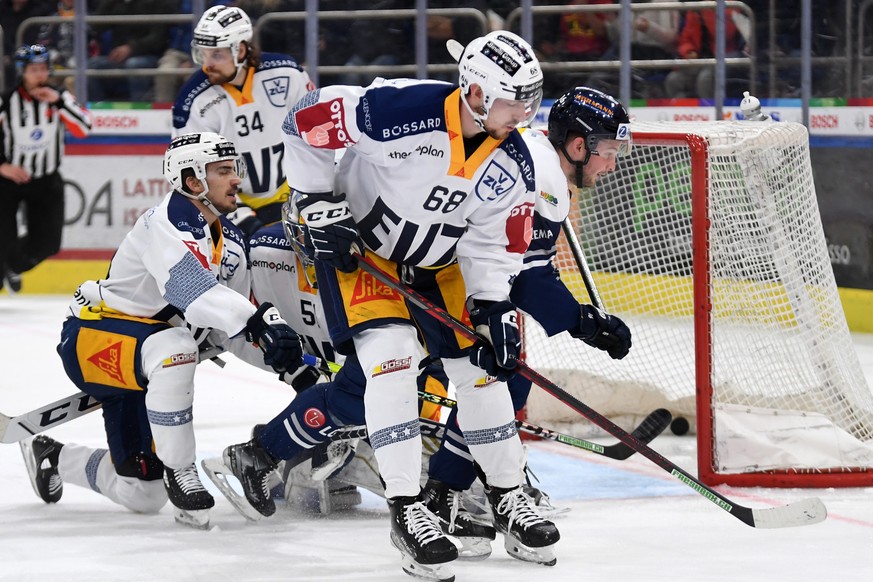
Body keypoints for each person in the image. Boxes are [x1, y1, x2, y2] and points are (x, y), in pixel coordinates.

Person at [278, 29, 557, 580]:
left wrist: (492, 304)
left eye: (530, 101)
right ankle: (407, 509)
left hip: (442, 266)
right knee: (393, 360)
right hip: (369, 259)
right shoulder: (398, 110)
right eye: (513, 101)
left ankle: (507, 494)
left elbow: (489, 243)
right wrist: (314, 201)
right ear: (474, 92)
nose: (523, 114)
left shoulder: (514, 161)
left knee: (481, 370)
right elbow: (302, 120)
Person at [18, 132, 306, 530]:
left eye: (234, 168)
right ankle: (181, 471)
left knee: (142, 494)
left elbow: (230, 330)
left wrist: (292, 365)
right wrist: (258, 321)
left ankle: (53, 456)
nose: (236, 178)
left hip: (149, 361)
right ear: (192, 181)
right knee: (177, 345)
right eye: (223, 170)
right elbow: (192, 291)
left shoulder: (233, 244)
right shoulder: (165, 222)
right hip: (91, 337)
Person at [423, 86, 634, 558]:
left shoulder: (543, 165)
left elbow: (528, 266)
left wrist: (582, 317)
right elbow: (527, 281)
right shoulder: (539, 172)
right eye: (607, 151)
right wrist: (585, 324)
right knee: (491, 378)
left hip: (460, 280)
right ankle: (464, 493)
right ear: (578, 146)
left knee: (502, 380)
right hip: (442, 282)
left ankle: (451, 491)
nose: (610, 164)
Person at [172, 4, 315, 236]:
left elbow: (318, 135)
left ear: (240, 50)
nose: (207, 64)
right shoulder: (192, 102)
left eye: (216, 54)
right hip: (234, 207)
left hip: (296, 195)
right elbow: (192, 175)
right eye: (202, 54)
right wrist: (242, 218)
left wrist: (316, 196)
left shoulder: (288, 74)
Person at [0, 44, 91, 294]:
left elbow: (84, 129)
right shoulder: (6, 103)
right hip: (8, 183)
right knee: (3, 239)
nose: (40, 75)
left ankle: (13, 267)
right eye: (33, 70)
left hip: (46, 181)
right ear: (22, 72)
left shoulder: (60, 97)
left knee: (49, 243)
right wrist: (2, 167)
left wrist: (61, 102)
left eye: (43, 69)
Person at [87, 0, 175, 101]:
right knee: (92, 66)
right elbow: (96, 27)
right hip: (118, 58)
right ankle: (97, 110)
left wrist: (131, 48)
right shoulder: (118, 3)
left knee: (134, 64)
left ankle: (139, 109)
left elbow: (158, 38)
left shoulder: (157, 3)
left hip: (149, 55)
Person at [663, 6, 745, 99]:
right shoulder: (695, 10)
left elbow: (727, 34)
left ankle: (709, 110)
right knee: (673, 80)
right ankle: (682, 111)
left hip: (726, 56)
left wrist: (710, 11)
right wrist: (689, 51)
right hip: (700, 60)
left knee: (705, 78)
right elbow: (685, 39)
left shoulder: (731, 7)